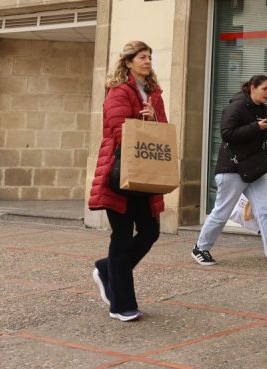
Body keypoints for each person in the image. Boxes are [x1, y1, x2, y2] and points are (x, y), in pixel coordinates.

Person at [87, 40, 166, 322]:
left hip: (146, 172)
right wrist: (139, 121)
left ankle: (106, 269)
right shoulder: (119, 92)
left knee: (150, 231)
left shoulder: (154, 93)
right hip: (120, 171)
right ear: (128, 62)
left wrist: (154, 119)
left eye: (150, 56)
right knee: (121, 238)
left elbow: (163, 131)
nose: (147, 61)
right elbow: (118, 131)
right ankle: (121, 305)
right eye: (142, 57)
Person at [192, 74, 267, 268]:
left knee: (266, 211)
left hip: (255, 168)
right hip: (232, 168)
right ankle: (200, 248)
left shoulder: (261, 109)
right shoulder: (236, 106)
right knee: (222, 212)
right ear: (252, 87)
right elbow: (226, 133)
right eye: (265, 88)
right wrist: (255, 126)